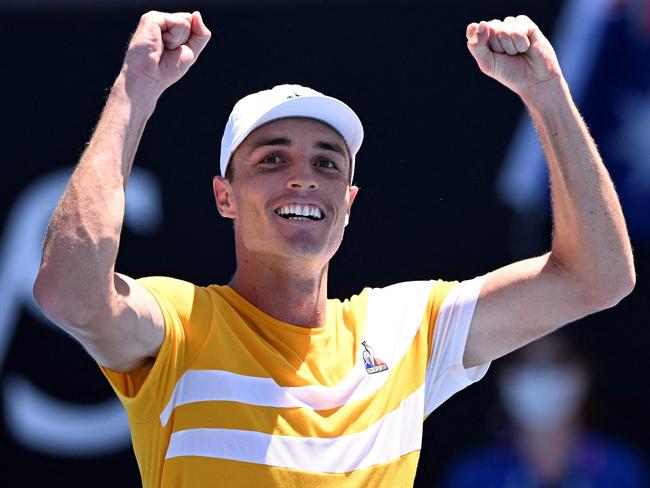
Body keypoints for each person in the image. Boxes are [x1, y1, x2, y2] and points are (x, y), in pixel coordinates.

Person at [32, 9, 635, 488]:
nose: (303, 178)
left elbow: (599, 278)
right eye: (272, 159)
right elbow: (69, 292)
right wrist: (135, 89)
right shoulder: (184, 323)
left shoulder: (405, 329)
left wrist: (549, 95)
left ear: (348, 201)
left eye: (326, 162)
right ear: (225, 197)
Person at [441, 332, 649, 487]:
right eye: (525, 362)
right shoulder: (472, 476)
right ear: (502, 376)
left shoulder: (623, 472)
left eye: (556, 360)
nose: (540, 376)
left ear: (585, 371)